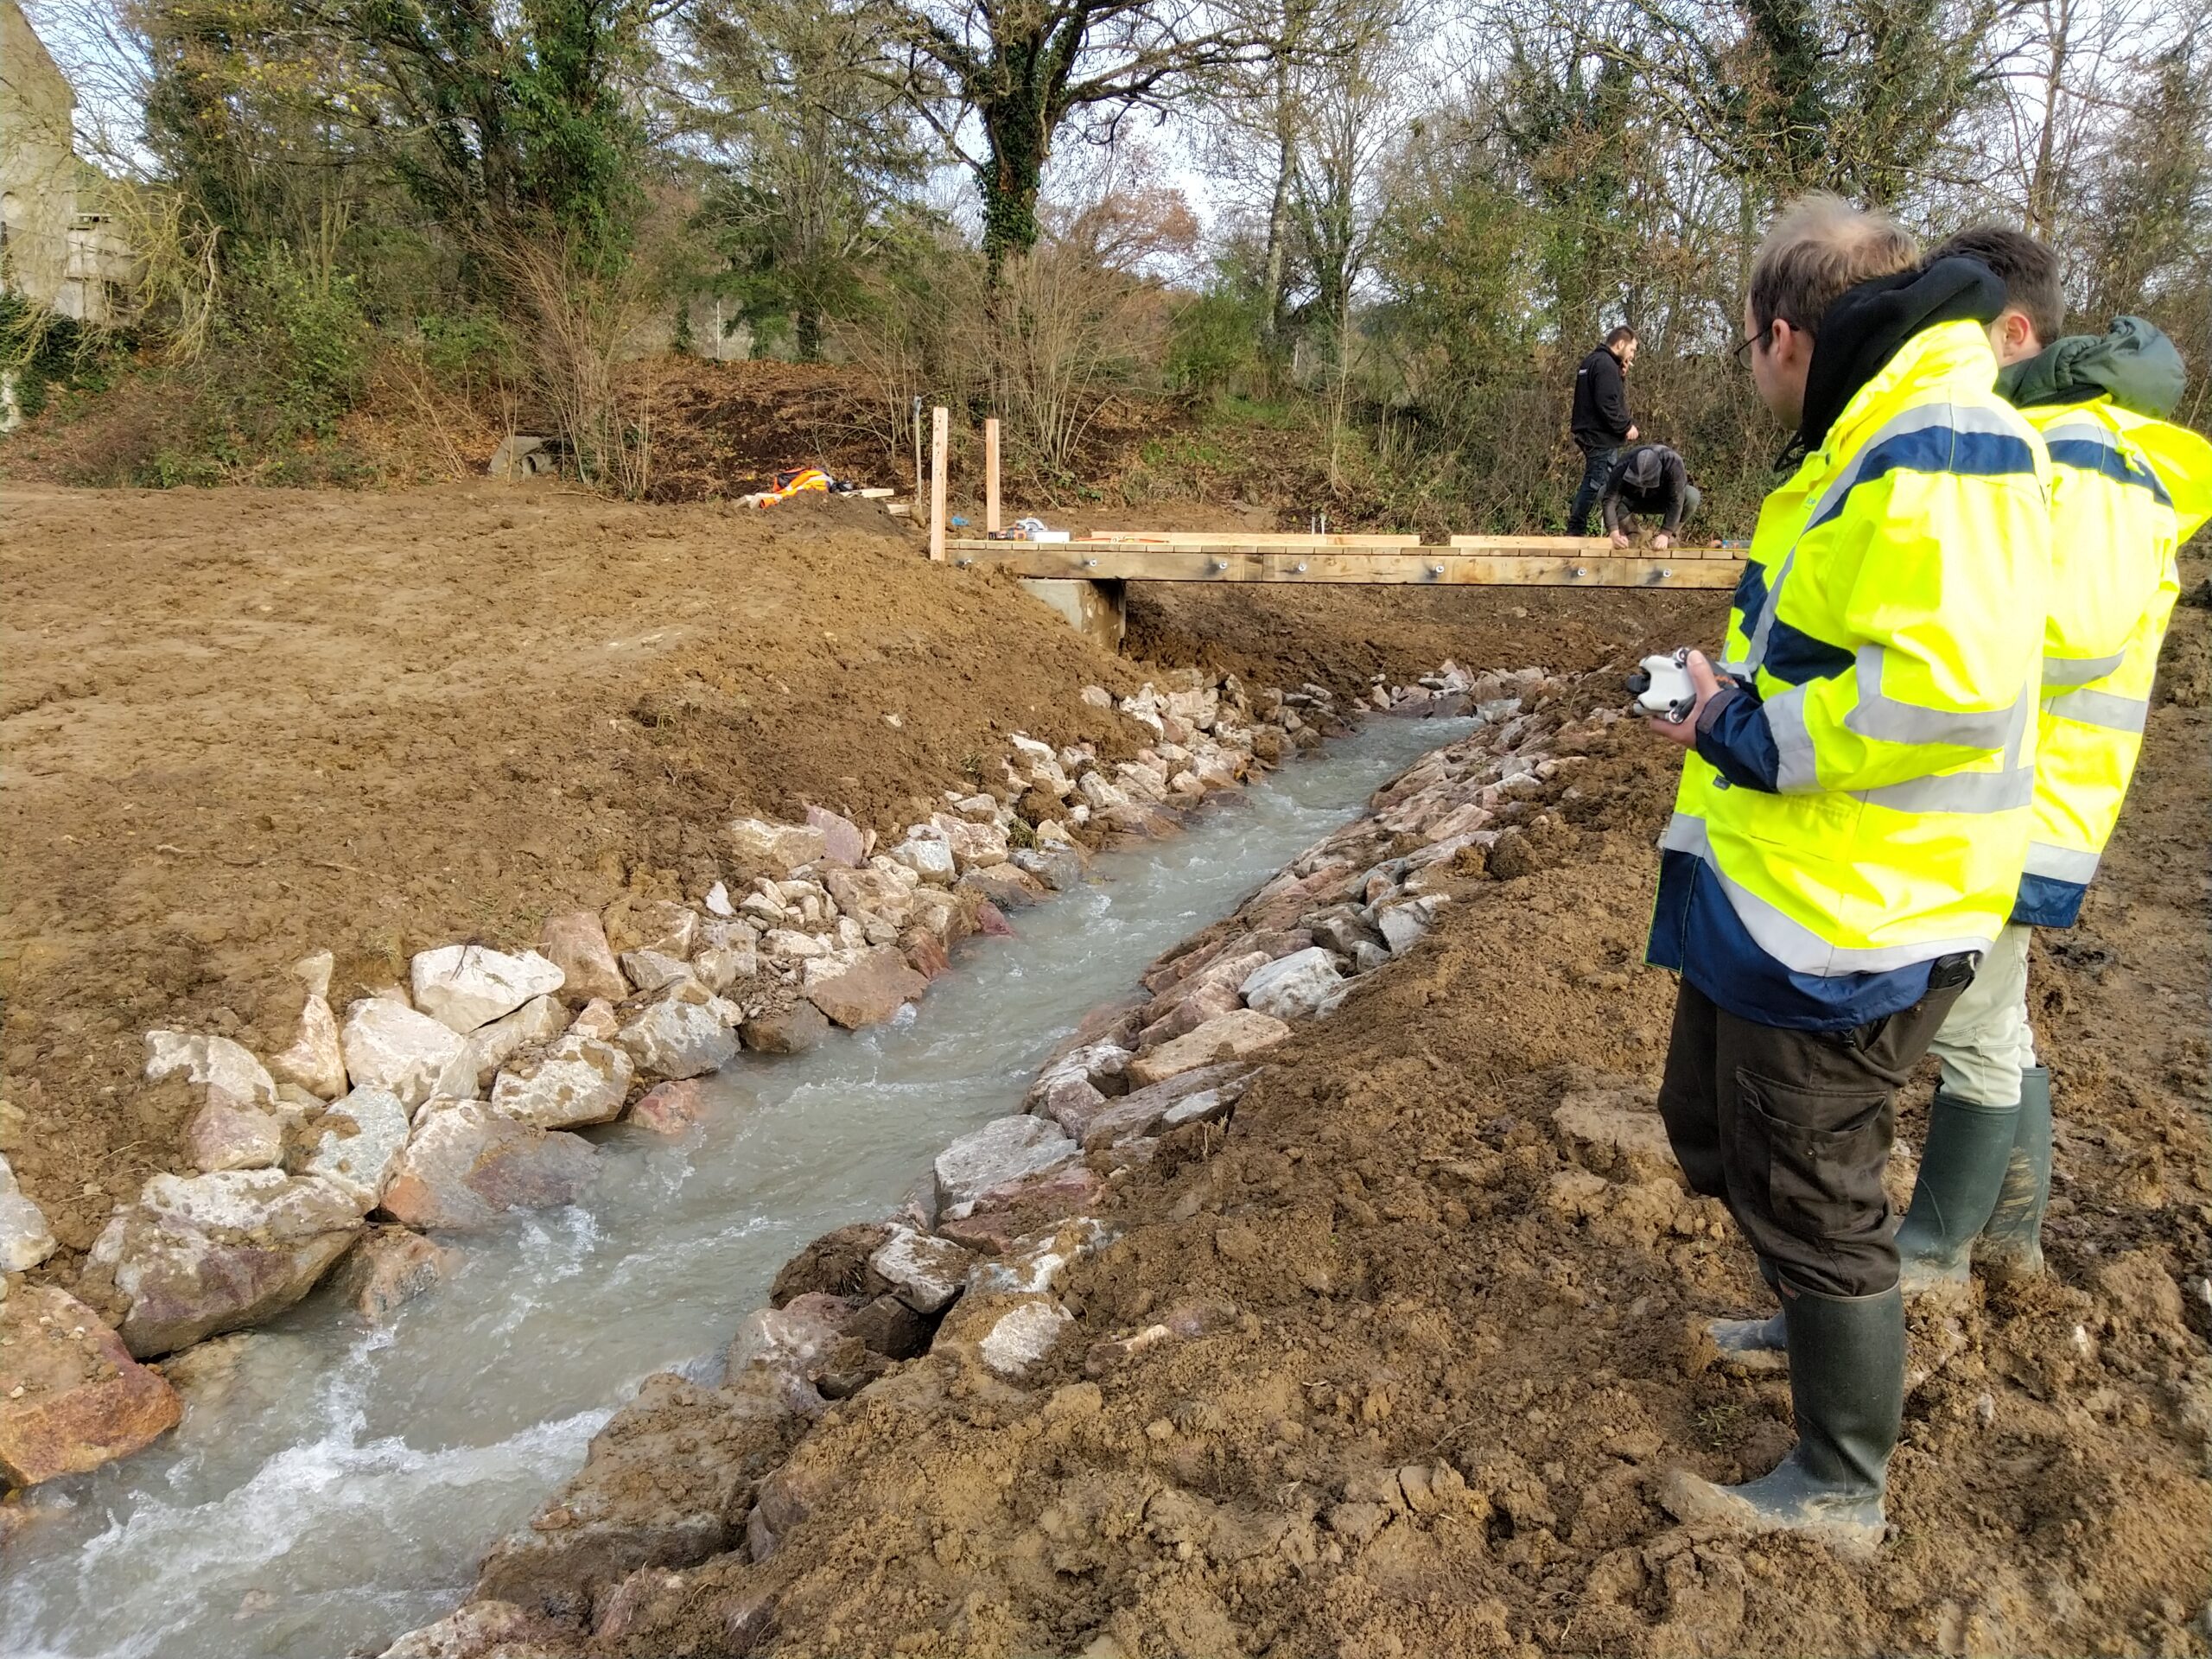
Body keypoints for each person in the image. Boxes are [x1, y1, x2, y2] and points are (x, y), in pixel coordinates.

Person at [1642, 196, 2051, 1554]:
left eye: (1747, 349)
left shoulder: (1935, 437)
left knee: (1815, 1181)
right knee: (1719, 1130)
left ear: (1781, 334)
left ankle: (1840, 1484)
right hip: (1794, 892)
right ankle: (1814, 1311)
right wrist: (1732, 694)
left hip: (1857, 910)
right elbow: (1842, 646)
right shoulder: (1871, 435)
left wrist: (1743, 725)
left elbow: (1943, 691)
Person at [1884, 231, 2211, 1294]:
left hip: (2024, 793)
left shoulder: (2079, 451)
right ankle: (2006, 1241)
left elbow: (2067, 631)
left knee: (1971, 1020)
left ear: (2011, 333)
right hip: (2033, 786)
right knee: (1999, 1013)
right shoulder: (2075, 439)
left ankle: (1932, 1257)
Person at [1568, 325, 1639, 535]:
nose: (1633, 355)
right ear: (1620, 344)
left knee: (1607, 484)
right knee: (1596, 484)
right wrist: (1626, 426)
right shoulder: (1606, 365)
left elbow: (1603, 394)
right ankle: (1575, 530)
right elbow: (1607, 403)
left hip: (1589, 432)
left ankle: (1623, 528)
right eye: (1632, 349)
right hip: (1601, 437)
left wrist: (1621, 375)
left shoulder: (1591, 361)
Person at [1601, 443, 1700, 549]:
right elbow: (1610, 500)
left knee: (1692, 496)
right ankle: (1632, 533)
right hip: (1633, 500)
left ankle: (1671, 536)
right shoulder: (1623, 465)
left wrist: (1665, 534)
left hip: (1663, 500)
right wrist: (1614, 533)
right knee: (1603, 491)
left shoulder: (1673, 464)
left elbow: (1676, 501)